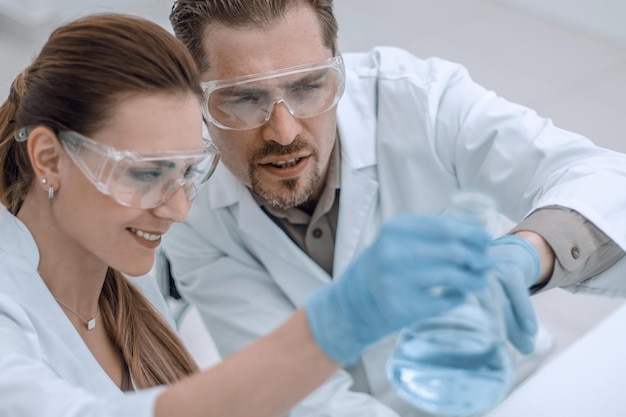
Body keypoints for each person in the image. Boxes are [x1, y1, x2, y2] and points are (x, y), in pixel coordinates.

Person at [0, 12, 502, 417]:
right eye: (147, 173)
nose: (177, 210)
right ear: (48, 158)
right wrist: (336, 322)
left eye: (186, 173)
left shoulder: (117, 263)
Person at [163, 1, 626, 416]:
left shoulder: (419, 100)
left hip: (506, 391)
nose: (284, 132)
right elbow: (303, 397)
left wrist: (528, 253)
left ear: (336, 61)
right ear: (194, 94)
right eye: (245, 98)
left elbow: (604, 180)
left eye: (308, 86)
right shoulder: (187, 208)